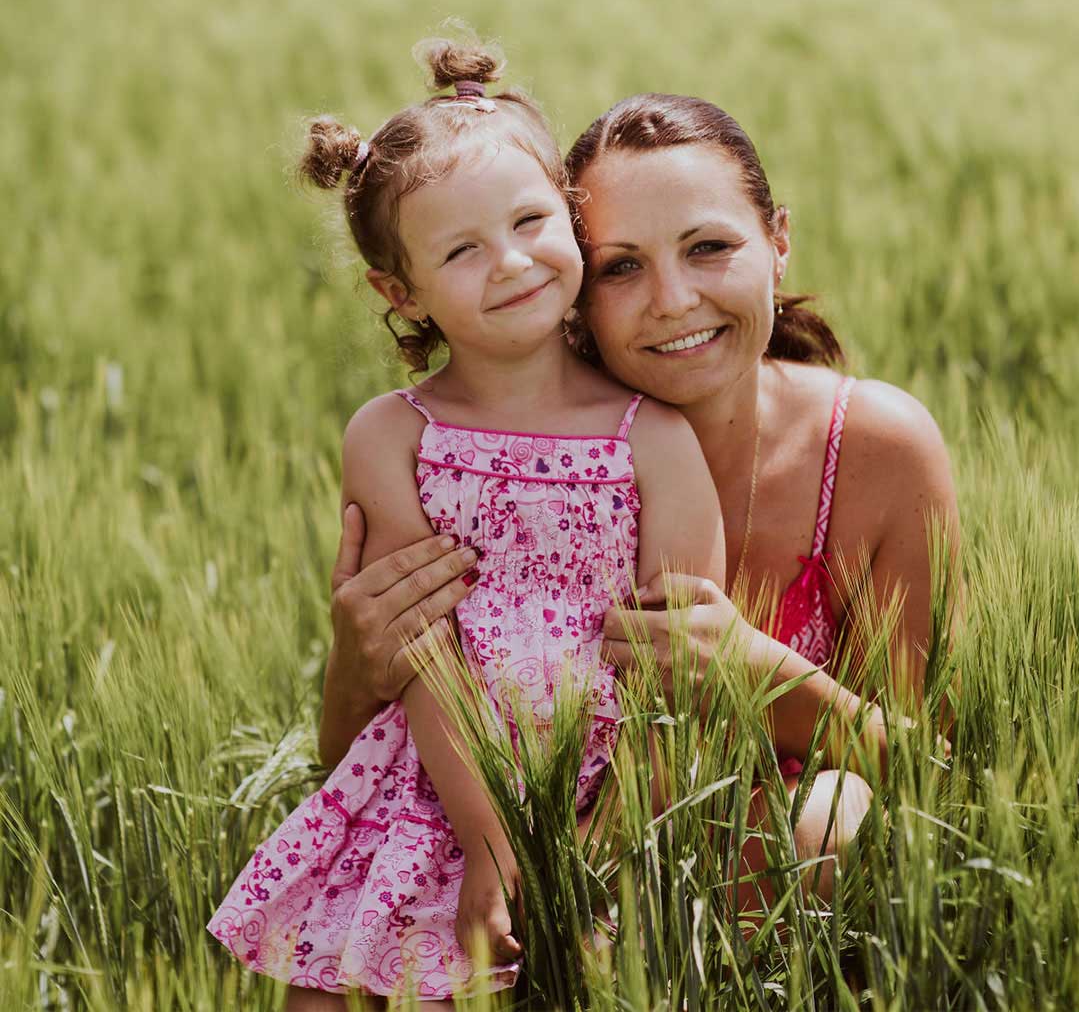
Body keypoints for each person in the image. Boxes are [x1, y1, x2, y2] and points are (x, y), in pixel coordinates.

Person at [322, 93, 960, 908]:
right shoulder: (496, 474)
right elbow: (357, 779)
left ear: (779, 242)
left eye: (709, 247)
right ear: (578, 282)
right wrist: (353, 671)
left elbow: (930, 771)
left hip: (754, 877)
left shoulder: (877, 446)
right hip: (520, 862)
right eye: (622, 265)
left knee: (828, 822)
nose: (672, 300)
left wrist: (756, 673)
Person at [206, 37, 729, 1009]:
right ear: (398, 292)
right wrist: (492, 843)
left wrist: (579, 858)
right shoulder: (391, 435)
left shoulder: (654, 435)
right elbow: (423, 653)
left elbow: (682, 674)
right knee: (329, 993)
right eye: (461, 250)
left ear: (571, 221)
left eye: (532, 221)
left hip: (607, 802)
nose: (513, 261)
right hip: (434, 794)